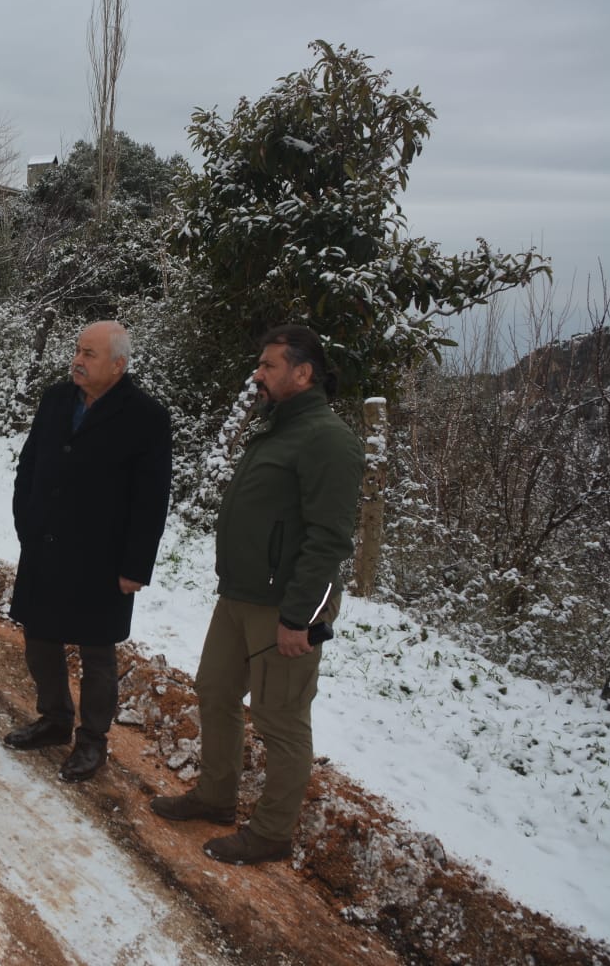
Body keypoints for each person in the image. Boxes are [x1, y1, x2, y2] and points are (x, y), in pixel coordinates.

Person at [150, 325, 364, 865]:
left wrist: (299, 617)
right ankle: (216, 796)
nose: (258, 374)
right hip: (241, 594)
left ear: (303, 372)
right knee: (215, 690)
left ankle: (272, 832)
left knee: (280, 719)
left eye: (269, 365)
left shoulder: (327, 439)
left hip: (284, 606)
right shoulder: (279, 428)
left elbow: (330, 540)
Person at [5, 321, 172, 782]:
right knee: (40, 637)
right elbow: (30, 463)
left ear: (118, 365)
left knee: (97, 652)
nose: (77, 360)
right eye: (78, 350)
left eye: (89, 354)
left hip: (102, 556)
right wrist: (26, 520)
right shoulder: (57, 398)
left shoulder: (146, 417)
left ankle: (92, 741)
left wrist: (135, 566)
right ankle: (55, 719)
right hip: (45, 543)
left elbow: (151, 500)